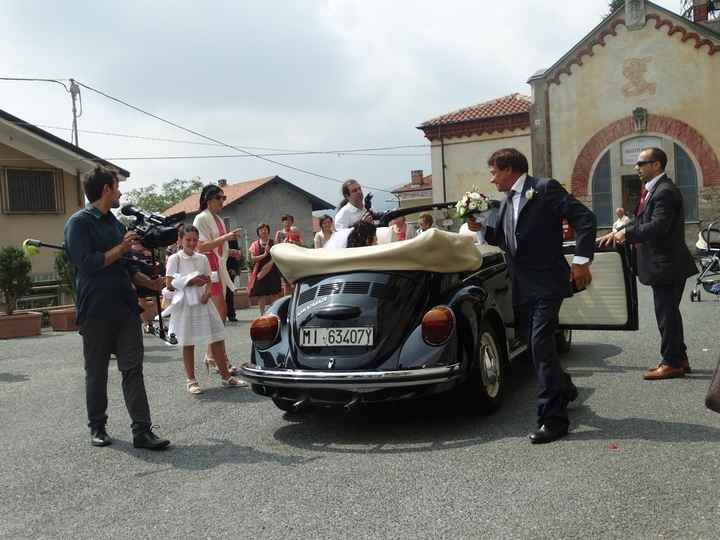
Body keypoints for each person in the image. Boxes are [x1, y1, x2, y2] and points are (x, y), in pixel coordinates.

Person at [484, 148, 596, 444]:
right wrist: (479, 225)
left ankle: (553, 419)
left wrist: (582, 261)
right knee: (536, 349)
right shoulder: (505, 202)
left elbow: (585, 218)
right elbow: (503, 238)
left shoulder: (544, 188)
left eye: (494, 171)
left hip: (547, 283)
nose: (491, 178)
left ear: (509, 169)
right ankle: (566, 388)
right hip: (520, 287)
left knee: (541, 346)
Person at [63, 166, 170, 450]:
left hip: (125, 307)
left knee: (133, 369)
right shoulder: (79, 223)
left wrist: (152, 283)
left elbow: (127, 266)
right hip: (96, 309)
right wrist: (121, 249)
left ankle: (142, 431)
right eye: (117, 186)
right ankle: (97, 427)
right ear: (107, 189)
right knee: (97, 372)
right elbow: (87, 263)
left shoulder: (115, 223)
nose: (120, 192)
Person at [598, 147, 698, 380]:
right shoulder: (653, 190)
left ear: (656, 165)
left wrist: (626, 236)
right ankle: (679, 358)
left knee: (666, 314)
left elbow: (658, 226)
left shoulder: (664, 191)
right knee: (668, 313)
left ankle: (672, 363)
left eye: (642, 163)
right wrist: (621, 229)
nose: (637, 167)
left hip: (667, 264)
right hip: (664, 264)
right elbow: (644, 220)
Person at [164, 225, 246, 393]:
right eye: (188, 240)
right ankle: (191, 380)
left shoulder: (202, 258)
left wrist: (208, 293)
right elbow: (169, 283)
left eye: (195, 240)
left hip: (203, 302)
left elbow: (209, 279)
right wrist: (190, 281)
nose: (192, 243)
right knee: (188, 342)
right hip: (186, 304)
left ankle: (226, 376)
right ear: (180, 240)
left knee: (216, 337)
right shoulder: (175, 259)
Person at [193, 184, 241, 375]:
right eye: (219, 198)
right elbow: (201, 246)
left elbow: (219, 247)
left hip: (218, 266)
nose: (222, 201)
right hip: (208, 267)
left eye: (224, 198)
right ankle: (218, 358)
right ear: (208, 199)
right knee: (219, 312)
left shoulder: (218, 219)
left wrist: (231, 251)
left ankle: (212, 356)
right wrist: (227, 237)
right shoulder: (201, 218)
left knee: (219, 314)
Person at [248, 223, 282, 315]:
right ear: (258, 232)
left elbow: (278, 254)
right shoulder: (255, 244)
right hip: (260, 271)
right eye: (261, 230)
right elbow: (253, 258)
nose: (264, 231)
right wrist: (264, 255)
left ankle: (275, 313)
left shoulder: (273, 242)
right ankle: (262, 314)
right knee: (261, 294)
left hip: (273, 270)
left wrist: (271, 262)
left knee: (274, 293)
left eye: (265, 229)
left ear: (268, 231)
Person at [225, 237, 242, 322]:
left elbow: (237, 255)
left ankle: (231, 314)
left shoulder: (232, 239)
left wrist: (235, 269)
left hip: (229, 269)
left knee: (229, 293)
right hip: (218, 268)